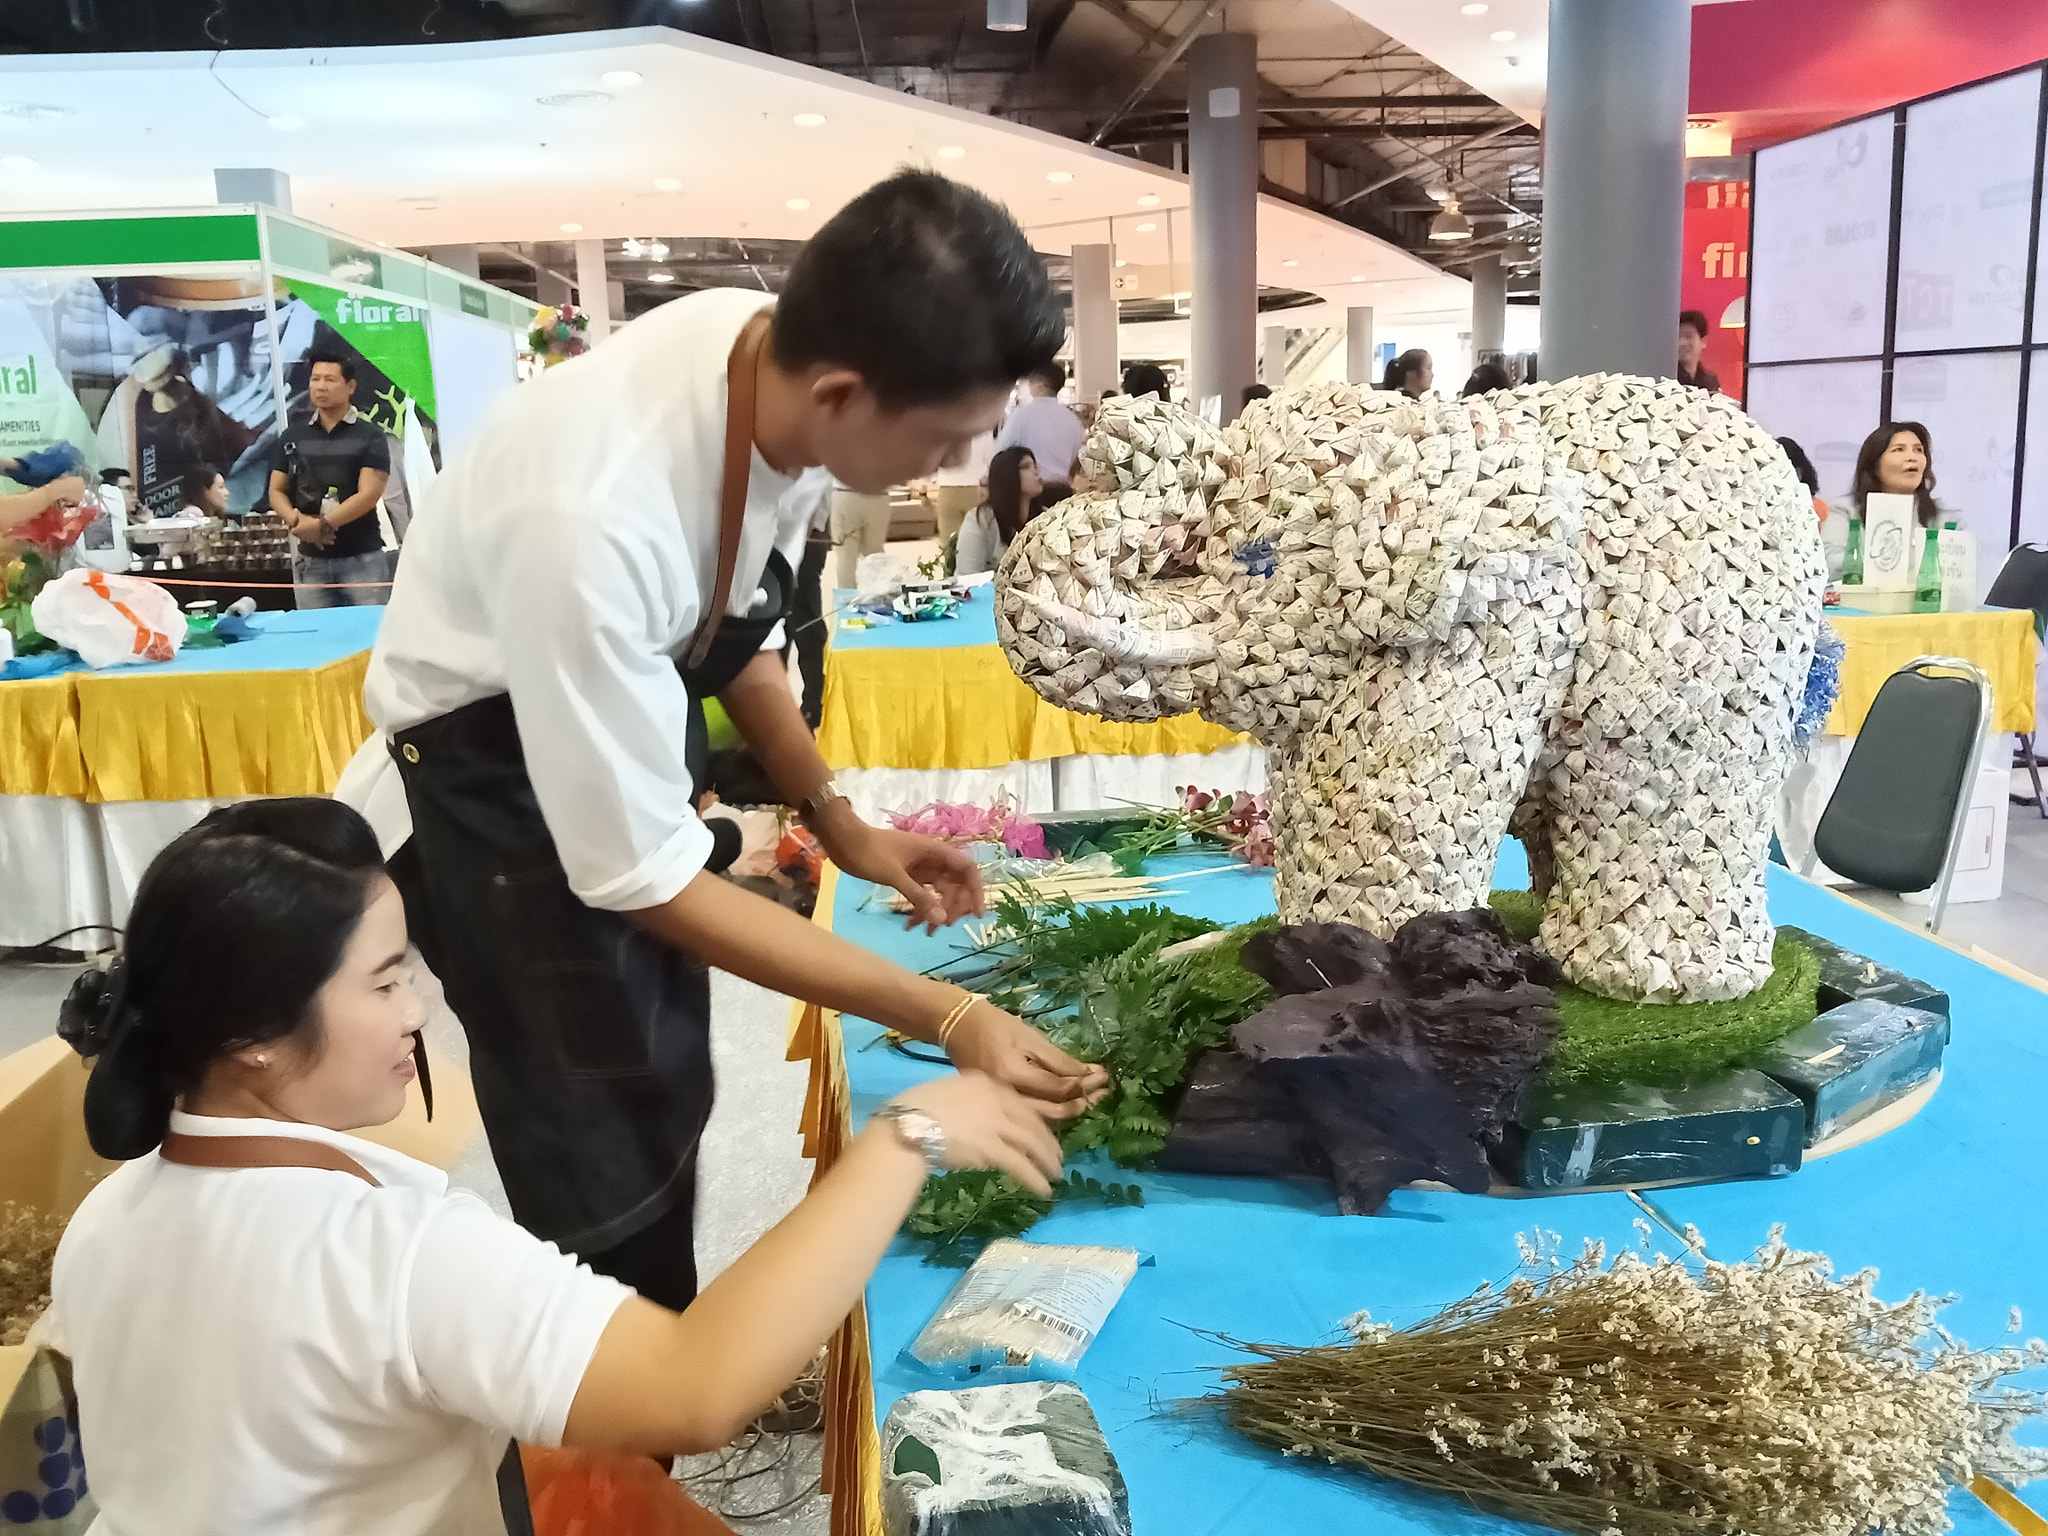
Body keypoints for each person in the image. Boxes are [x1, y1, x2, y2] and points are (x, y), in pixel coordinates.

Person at [335, 170, 1105, 1314]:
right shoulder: (591, 515)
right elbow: (641, 883)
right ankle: (620, 1425)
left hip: (588, 742)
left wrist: (844, 827)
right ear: (842, 391)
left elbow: (734, 636)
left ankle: (669, 1346)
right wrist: (945, 1013)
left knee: (664, 1077)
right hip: (485, 790)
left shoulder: (751, 361)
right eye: (940, 440)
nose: (946, 473)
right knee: (596, 1146)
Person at [42, 798, 1063, 1534]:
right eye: (387, 980)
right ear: (256, 1036)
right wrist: (908, 1133)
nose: (417, 1011)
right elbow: (699, 1389)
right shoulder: (393, 1256)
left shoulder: (108, 1217)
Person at [270, 349, 393, 609]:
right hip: (310, 562)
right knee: (316, 639)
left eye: (329, 379)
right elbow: (276, 490)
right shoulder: (293, 436)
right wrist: (296, 520)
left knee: (366, 637)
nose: (320, 387)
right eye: (315, 379)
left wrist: (322, 526)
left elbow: (369, 494)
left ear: (350, 387)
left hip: (361, 559)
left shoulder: (370, 436)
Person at [995, 360, 1083, 499]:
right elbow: (1077, 459)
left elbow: (1001, 452)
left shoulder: (1021, 415)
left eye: (1031, 381)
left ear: (1040, 385)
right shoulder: (1073, 420)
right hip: (1064, 492)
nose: (1029, 384)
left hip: (1030, 493)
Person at [956, 446, 1040, 577]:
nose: (1037, 472)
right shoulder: (980, 519)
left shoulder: (1045, 518)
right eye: (1026, 466)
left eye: (1035, 466)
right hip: (987, 594)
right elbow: (968, 575)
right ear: (1008, 475)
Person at [930, 428, 996, 546]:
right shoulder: (983, 430)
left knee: (949, 542)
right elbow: (992, 461)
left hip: (947, 489)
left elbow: (931, 462)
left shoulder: (940, 430)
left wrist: (924, 490)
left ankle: (951, 564)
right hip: (976, 490)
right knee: (978, 539)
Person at [1677, 310, 1721, 394]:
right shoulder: (1667, 379)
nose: (1682, 343)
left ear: (1703, 341)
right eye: (1678, 337)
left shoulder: (1711, 381)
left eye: (1688, 336)